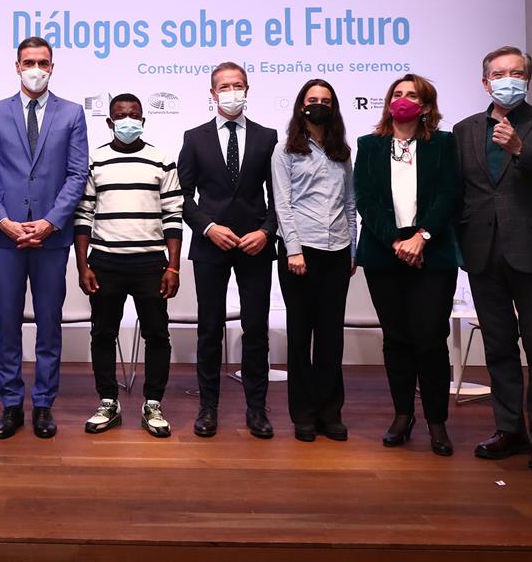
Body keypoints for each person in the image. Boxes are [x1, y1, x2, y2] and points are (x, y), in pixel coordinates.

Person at [454, 46, 532, 473]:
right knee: (499, 346)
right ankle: (509, 428)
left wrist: (522, 149)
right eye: (498, 73)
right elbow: (461, 193)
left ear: (527, 78)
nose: (508, 79)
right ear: (485, 82)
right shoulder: (465, 129)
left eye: (516, 72)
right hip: (483, 253)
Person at [0, 37, 88, 439]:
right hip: (5, 237)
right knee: (6, 323)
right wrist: (3, 221)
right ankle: (10, 404)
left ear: (52, 66)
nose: (35, 68)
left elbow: (78, 175)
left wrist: (51, 221)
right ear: (16, 66)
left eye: (42, 62)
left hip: (50, 238)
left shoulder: (72, 113)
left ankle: (43, 404)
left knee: (49, 324)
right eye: (28, 62)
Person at [354, 74, 461, 456]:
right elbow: (364, 199)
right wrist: (396, 240)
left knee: (430, 337)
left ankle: (436, 421)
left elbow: (450, 193)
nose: (402, 100)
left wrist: (422, 237)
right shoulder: (369, 145)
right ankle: (403, 415)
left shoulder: (445, 143)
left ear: (426, 106)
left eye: (411, 95)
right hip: (385, 252)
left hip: (433, 253)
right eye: (396, 94)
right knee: (396, 337)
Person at [177, 61, 278, 439]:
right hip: (210, 245)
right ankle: (208, 408)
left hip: (255, 247)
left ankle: (256, 409)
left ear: (248, 90)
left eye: (238, 85)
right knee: (209, 329)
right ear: (212, 92)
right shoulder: (194, 137)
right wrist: (207, 226)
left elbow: (278, 196)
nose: (231, 91)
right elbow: (183, 198)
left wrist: (267, 232)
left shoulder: (268, 138)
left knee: (256, 329)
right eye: (224, 86)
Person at [74, 93, 182, 437]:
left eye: (134, 115)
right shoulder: (94, 161)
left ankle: (153, 404)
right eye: (120, 116)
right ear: (109, 122)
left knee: (157, 334)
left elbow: (174, 217)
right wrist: (82, 266)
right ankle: (108, 401)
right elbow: (82, 216)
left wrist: (173, 267)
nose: (128, 121)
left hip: (151, 263)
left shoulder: (161, 160)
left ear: (144, 121)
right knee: (102, 334)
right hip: (105, 263)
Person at [272, 78, 356, 443]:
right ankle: (303, 415)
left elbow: (350, 204)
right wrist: (293, 249)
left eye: (325, 100)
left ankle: (329, 412)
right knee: (300, 335)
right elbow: (283, 203)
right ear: (300, 106)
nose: (319, 104)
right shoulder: (285, 150)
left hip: (337, 252)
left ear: (333, 107)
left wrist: (352, 250)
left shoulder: (342, 151)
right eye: (312, 99)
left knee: (330, 337)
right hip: (299, 254)